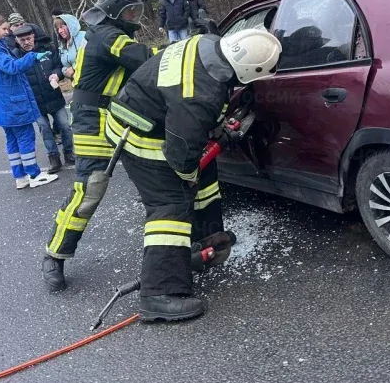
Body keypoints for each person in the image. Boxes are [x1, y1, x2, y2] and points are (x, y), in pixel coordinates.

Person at [105, 28, 282, 323]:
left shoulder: (208, 43)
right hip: (137, 135)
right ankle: (158, 294)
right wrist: (188, 175)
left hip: (152, 117)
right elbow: (181, 155)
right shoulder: (200, 94)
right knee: (171, 204)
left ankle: (203, 243)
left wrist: (213, 133)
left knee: (204, 182)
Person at [43, 0, 156, 291]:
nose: (134, 17)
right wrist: (186, 50)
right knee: (90, 187)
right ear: (115, 10)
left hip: (118, 115)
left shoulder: (106, 33)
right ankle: (54, 254)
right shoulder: (108, 37)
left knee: (156, 172)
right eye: (130, 11)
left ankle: (174, 240)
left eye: (137, 11)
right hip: (92, 119)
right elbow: (146, 59)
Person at [0, 15, 58, 189]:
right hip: (11, 101)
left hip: (0, 104)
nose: (7, 32)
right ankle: (34, 174)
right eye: (3, 29)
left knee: (12, 139)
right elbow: (12, 67)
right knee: (25, 136)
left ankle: (20, 176)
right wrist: (32, 57)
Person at [12, 25, 75, 172]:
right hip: (34, 102)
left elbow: (58, 65)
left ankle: (69, 153)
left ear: (33, 37)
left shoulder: (47, 49)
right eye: (22, 40)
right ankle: (54, 158)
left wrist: (56, 75)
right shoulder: (15, 57)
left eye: (28, 38)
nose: (26, 42)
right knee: (45, 129)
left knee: (65, 126)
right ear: (17, 41)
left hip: (54, 96)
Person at [53, 14, 85, 79]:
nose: (60, 31)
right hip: (77, 82)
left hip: (91, 78)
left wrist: (74, 68)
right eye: (57, 29)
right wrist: (65, 71)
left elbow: (90, 57)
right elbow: (63, 65)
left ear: (70, 25)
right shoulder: (62, 45)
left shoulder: (83, 36)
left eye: (62, 27)